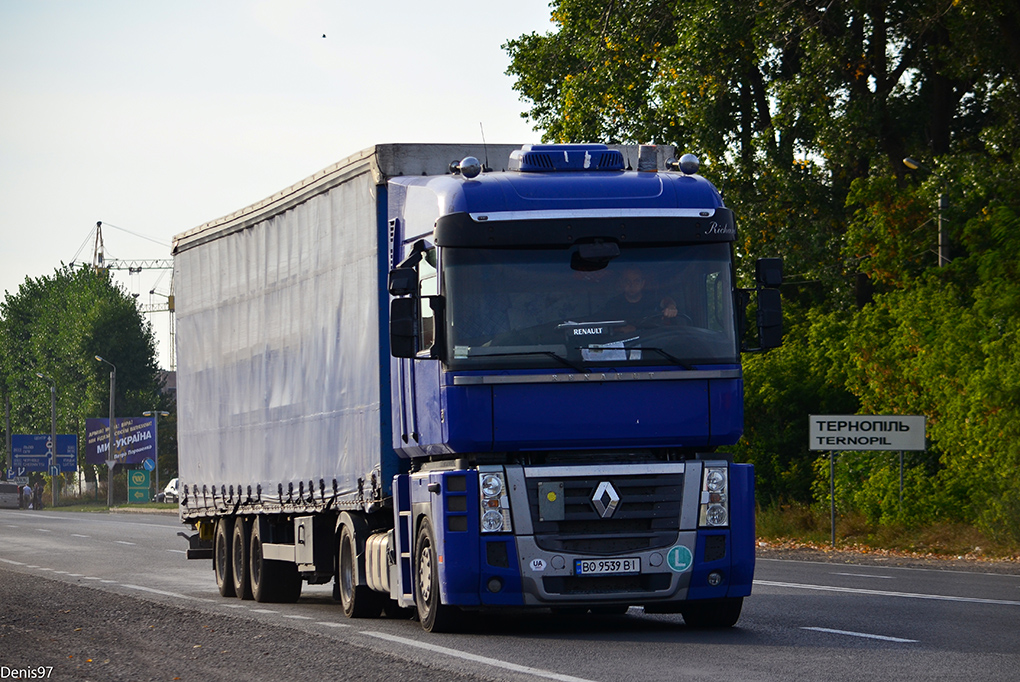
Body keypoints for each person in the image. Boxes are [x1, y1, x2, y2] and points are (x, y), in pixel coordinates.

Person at [598, 267, 678, 333]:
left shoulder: (652, 298)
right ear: (621, 283)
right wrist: (620, 330)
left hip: (652, 342)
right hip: (624, 345)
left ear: (643, 283)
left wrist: (671, 307)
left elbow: (666, 300)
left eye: (636, 281)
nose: (632, 285)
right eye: (627, 281)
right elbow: (603, 328)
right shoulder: (613, 304)